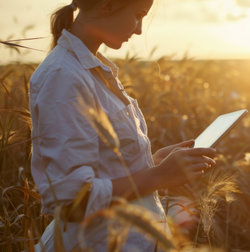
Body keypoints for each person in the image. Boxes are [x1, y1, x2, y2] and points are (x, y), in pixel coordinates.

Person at [29, 0, 216, 251]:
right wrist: (159, 176)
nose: (139, 29)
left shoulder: (92, 69)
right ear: (107, 5)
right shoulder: (64, 77)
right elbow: (73, 201)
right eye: (138, 15)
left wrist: (154, 161)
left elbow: (103, 167)